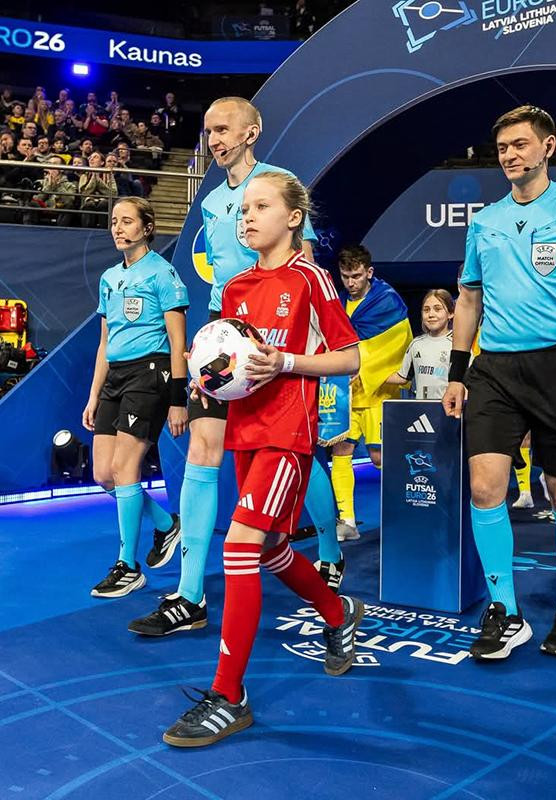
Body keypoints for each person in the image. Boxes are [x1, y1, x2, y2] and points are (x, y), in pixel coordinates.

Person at [127, 96, 342, 637]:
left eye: (223, 129)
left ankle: (330, 548)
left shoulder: (276, 185)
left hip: (275, 341)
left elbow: (303, 267)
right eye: (209, 132)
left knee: (295, 449)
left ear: (252, 131)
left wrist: (302, 352)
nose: (215, 140)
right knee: (203, 449)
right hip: (223, 338)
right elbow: (221, 279)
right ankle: (189, 595)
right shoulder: (209, 201)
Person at [162, 171, 362, 748]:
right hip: (245, 431)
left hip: (288, 433)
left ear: (293, 217)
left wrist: (288, 363)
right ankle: (338, 611)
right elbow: (226, 361)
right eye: (242, 209)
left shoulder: (311, 279)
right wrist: (207, 379)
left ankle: (229, 696)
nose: (245, 216)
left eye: (260, 206)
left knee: (240, 545)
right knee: (271, 548)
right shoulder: (235, 288)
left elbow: (349, 357)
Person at [442, 104, 556, 659]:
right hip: (495, 368)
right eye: (502, 148)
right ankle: (505, 611)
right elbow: (468, 298)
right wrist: (457, 371)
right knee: (484, 487)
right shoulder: (485, 221)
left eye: (520, 144)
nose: (510, 155)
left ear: (548, 146)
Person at [83, 198, 188, 598]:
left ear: (147, 228)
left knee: (125, 469)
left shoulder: (163, 273)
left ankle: (127, 566)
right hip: (116, 377)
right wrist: (93, 395)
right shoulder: (109, 278)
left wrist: (178, 399)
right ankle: (166, 524)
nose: (118, 228)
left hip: (151, 373)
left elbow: (178, 341)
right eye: (114, 221)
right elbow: (105, 342)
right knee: (103, 475)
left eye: (127, 221)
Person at [330, 244, 412, 541]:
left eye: (356, 276)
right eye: (345, 276)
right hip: (346, 394)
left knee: (379, 457)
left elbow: (400, 344)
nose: (350, 282)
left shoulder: (387, 301)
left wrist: (360, 368)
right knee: (341, 451)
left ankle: (403, 512)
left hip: (378, 393)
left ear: (369, 272)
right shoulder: (338, 303)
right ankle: (347, 521)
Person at [384, 288, 454, 400]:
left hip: (447, 407)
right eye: (426, 310)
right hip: (421, 408)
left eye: (437, 309)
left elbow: (467, 382)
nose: (431, 314)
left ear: (450, 313)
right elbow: (402, 377)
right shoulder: (416, 344)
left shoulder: (457, 345)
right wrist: (370, 376)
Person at [26, 158, 78, 227]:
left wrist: (58, 185)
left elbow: (69, 201)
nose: (51, 166)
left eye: (54, 164)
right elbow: (37, 199)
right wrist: (49, 186)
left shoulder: (70, 184)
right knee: (31, 203)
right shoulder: (39, 182)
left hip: (59, 210)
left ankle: (61, 230)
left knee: (69, 207)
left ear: (62, 169)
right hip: (43, 209)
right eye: (49, 163)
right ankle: (30, 228)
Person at [79, 151, 117, 228]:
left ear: (102, 162)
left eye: (95, 157)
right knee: (89, 204)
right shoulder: (84, 175)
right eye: (90, 157)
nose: (91, 159)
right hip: (89, 200)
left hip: (105, 200)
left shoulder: (109, 175)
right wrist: (94, 177)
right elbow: (83, 193)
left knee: (103, 203)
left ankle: (105, 230)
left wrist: (98, 181)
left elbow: (114, 193)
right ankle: (87, 230)